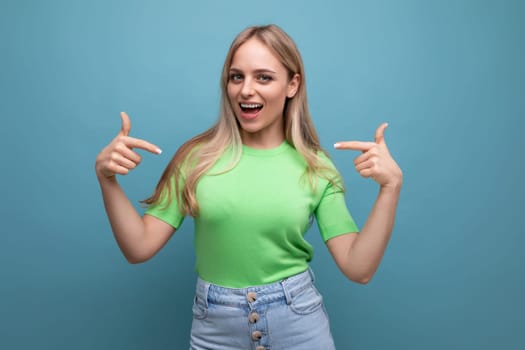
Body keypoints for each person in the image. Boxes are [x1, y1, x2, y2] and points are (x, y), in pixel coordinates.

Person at [95, 24, 402, 350]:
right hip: (215, 330)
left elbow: (359, 268)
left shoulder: (317, 168)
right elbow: (138, 247)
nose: (246, 90)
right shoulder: (196, 159)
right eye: (236, 76)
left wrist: (391, 187)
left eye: (264, 77)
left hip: (298, 324)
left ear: (292, 84)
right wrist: (107, 179)